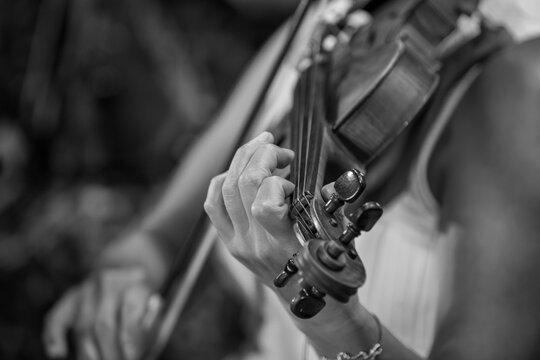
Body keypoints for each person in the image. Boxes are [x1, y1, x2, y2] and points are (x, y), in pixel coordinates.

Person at [43, 0, 540, 359]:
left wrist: (331, 317)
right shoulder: (328, 23)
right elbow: (163, 233)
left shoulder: (518, 88)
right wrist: (124, 277)